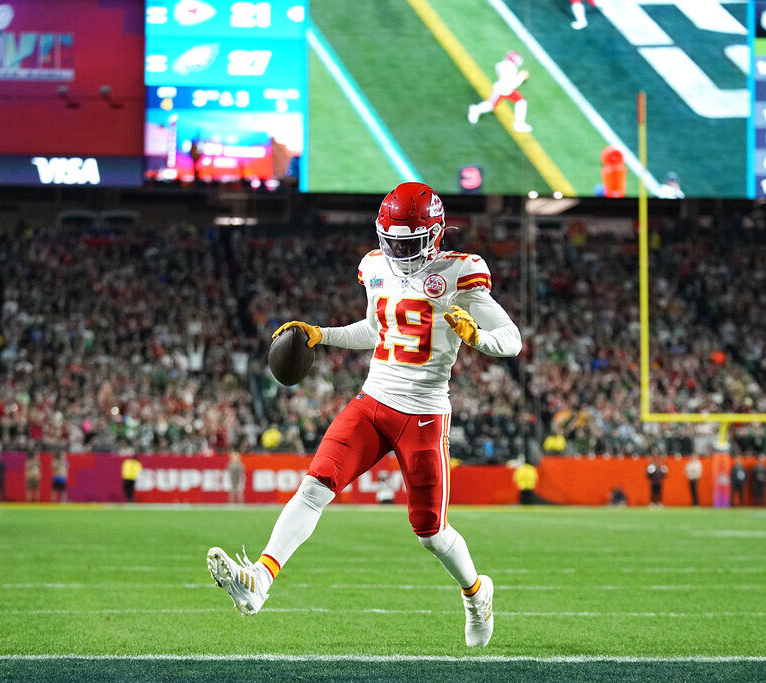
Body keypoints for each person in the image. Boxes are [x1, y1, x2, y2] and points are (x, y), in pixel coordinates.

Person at [207, 182, 521, 647]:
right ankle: (260, 581)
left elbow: (511, 340)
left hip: (424, 416)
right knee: (315, 486)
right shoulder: (375, 267)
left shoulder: (460, 274)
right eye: (390, 240)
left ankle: (476, 594)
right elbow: (375, 330)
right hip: (373, 402)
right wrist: (320, 334)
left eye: (407, 243)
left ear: (434, 236)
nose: (396, 252)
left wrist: (477, 337)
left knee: (430, 533)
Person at [467, 51, 533, 133]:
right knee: (490, 105)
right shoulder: (510, 67)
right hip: (501, 90)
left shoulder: (502, 65)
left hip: (507, 89)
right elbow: (511, 84)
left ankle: (519, 123)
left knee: (521, 101)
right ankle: (475, 110)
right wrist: (521, 77)